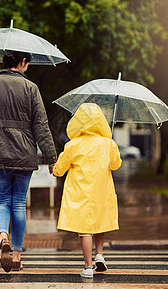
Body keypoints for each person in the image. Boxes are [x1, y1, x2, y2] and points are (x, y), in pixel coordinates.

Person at [0, 50, 57, 273]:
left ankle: (3, 236)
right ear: (22, 62)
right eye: (27, 63)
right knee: (19, 203)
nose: (27, 67)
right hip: (23, 151)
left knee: (1, 201)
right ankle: (17, 257)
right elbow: (41, 125)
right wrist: (51, 157)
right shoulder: (31, 88)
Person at [52, 103, 122, 278]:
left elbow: (60, 169)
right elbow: (115, 165)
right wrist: (112, 147)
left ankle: (88, 266)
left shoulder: (73, 145)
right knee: (100, 223)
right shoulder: (108, 143)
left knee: (85, 229)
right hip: (102, 191)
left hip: (80, 193)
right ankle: (99, 254)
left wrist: (54, 169)